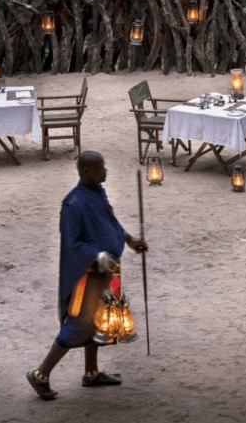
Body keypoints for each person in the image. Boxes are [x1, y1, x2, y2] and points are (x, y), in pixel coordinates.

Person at [27, 151, 148, 401]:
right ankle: (41, 374)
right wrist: (98, 256)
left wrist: (130, 240)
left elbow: (110, 222)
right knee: (79, 324)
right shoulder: (74, 204)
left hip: (108, 272)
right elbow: (73, 244)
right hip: (88, 276)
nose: (105, 172)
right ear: (85, 171)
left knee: (99, 321)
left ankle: (91, 373)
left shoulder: (98, 192)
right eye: (100, 168)